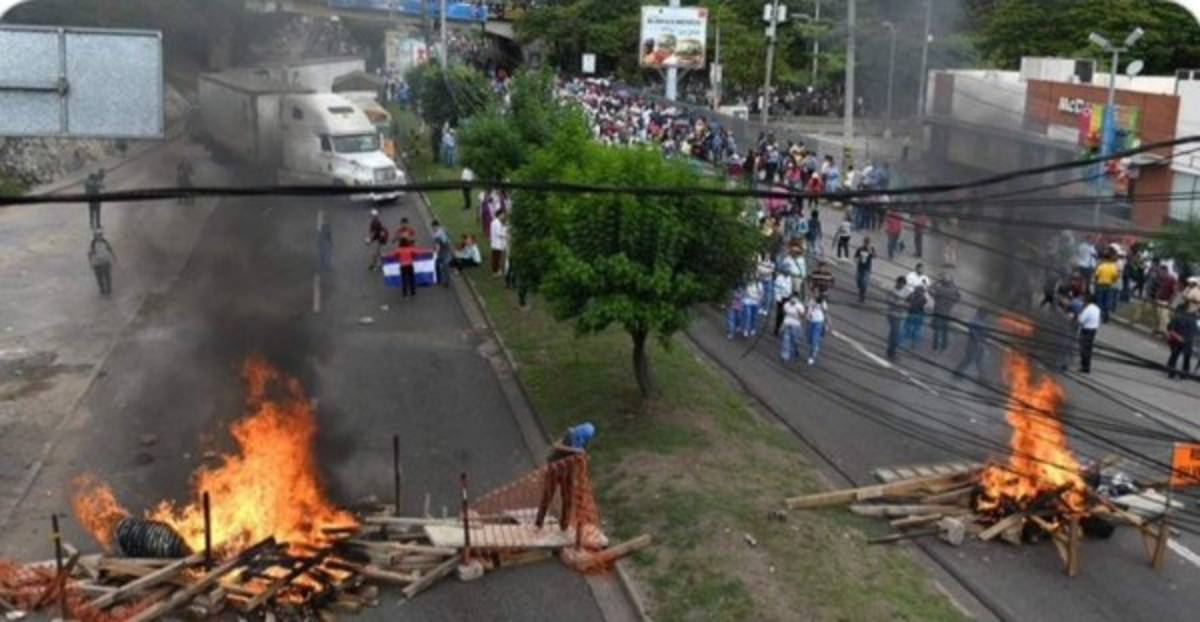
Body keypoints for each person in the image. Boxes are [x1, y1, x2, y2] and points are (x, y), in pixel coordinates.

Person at [535, 422, 596, 529]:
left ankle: (564, 526)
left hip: (568, 470)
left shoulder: (584, 441)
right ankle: (538, 523)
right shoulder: (569, 434)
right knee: (548, 495)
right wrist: (575, 450)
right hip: (555, 467)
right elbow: (556, 446)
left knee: (568, 498)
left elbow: (580, 454)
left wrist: (583, 458)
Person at [954, 308, 989, 380]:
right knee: (968, 359)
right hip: (973, 344)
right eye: (984, 314)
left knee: (979, 360)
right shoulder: (975, 320)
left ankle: (982, 377)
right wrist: (979, 340)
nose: (985, 316)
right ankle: (957, 373)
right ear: (980, 312)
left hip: (979, 344)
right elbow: (973, 332)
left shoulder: (980, 320)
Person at [930, 274, 961, 353]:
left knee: (937, 331)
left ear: (943, 282)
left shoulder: (940, 289)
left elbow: (930, 289)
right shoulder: (953, 290)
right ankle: (944, 346)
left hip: (938, 311)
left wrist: (937, 281)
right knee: (945, 330)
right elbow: (958, 296)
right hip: (947, 312)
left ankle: (935, 347)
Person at [1166, 304, 1196, 379]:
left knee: (1175, 355)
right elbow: (1196, 331)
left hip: (1178, 339)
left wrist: (1177, 337)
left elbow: (1170, 329)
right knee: (1186, 356)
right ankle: (1184, 373)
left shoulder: (1177, 317)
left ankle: (1171, 371)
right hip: (1187, 339)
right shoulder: (1193, 318)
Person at [903, 278, 930, 350]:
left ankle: (904, 342)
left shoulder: (912, 295)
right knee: (917, 330)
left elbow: (906, 300)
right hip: (919, 314)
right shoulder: (923, 298)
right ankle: (913, 344)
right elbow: (926, 303)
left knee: (907, 327)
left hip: (911, 313)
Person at [1077, 295, 1102, 373]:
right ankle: (1086, 365)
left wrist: (1078, 316)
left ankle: (1085, 366)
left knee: (1083, 348)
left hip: (1086, 329)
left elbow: (1081, 320)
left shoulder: (1088, 309)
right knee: (1088, 348)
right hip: (1094, 330)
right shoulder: (1097, 309)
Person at [1093, 251, 1120, 322]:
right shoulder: (1114, 267)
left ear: (1105, 258)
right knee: (1107, 301)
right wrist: (1112, 281)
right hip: (1109, 285)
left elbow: (1096, 276)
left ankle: (1098, 316)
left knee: (1100, 301)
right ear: (1110, 259)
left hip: (1100, 285)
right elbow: (1115, 277)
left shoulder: (1101, 266)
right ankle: (1106, 317)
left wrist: (1096, 282)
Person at [88, 229, 116, 296]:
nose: (99, 236)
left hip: (105, 262)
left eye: (100, 235)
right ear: (95, 236)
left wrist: (114, 257)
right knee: (100, 279)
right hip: (97, 264)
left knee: (107, 277)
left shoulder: (105, 242)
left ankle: (109, 291)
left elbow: (110, 250)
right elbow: (90, 254)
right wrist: (91, 263)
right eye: (98, 235)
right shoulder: (92, 244)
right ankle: (102, 291)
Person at [779, 295, 806, 364]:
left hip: (796, 326)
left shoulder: (800, 306)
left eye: (795, 299)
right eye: (792, 298)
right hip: (787, 324)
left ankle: (796, 349)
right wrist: (782, 326)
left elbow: (802, 317)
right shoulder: (786, 305)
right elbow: (784, 314)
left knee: (795, 340)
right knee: (786, 340)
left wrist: (798, 311)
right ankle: (785, 355)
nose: (793, 300)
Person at [805, 293, 829, 365]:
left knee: (814, 340)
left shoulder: (823, 303)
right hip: (810, 322)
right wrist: (807, 317)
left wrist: (827, 323)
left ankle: (812, 356)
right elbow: (806, 308)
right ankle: (815, 346)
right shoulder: (810, 301)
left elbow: (826, 313)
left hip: (818, 322)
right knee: (809, 339)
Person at [886, 276, 906, 360]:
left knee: (894, 334)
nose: (901, 285)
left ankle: (890, 351)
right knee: (895, 334)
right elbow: (888, 300)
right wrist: (899, 303)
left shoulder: (905, 291)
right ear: (897, 282)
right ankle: (892, 353)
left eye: (903, 284)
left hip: (900, 315)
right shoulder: (892, 291)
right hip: (893, 314)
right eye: (900, 283)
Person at [854, 236, 876, 304]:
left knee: (865, 282)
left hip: (867, 268)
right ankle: (861, 291)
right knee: (858, 280)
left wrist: (870, 252)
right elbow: (855, 257)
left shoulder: (871, 249)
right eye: (865, 242)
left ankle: (862, 295)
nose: (866, 244)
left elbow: (875, 256)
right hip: (860, 267)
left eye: (868, 242)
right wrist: (857, 260)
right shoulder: (860, 249)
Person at [431, 219, 452, 286]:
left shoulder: (437, 235)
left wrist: (435, 253)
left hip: (442, 250)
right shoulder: (443, 230)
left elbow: (438, 246)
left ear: (435, 226)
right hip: (447, 248)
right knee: (444, 265)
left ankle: (443, 280)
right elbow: (448, 238)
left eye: (434, 227)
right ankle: (444, 280)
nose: (433, 228)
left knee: (442, 265)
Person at [489, 211, 508, 276]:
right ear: (499, 215)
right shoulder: (496, 222)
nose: (503, 216)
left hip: (495, 243)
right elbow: (498, 233)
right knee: (496, 258)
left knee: (496, 257)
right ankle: (496, 271)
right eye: (502, 214)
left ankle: (496, 270)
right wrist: (506, 236)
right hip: (497, 243)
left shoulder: (495, 222)